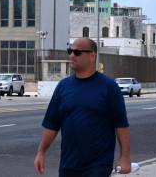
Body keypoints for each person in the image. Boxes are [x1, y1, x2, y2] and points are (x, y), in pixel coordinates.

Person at [34, 38, 131, 176]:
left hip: (98, 166)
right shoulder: (63, 86)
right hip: (68, 166)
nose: (72, 55)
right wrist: (41, 152)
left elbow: (121, 125)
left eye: (77, 52)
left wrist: (125, 157)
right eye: (70, 51)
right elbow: (52, 124)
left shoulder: (109, 87)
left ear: (92, 56)